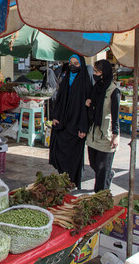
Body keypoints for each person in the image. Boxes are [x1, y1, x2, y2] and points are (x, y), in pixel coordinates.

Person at [49, 54, 92, 189]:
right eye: (70, 62)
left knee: (73, 156)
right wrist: (55, 116)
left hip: (77, 124)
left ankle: (72, 180)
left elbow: (87, 107)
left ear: (81, 65)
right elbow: (60, 100)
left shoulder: (85, 80)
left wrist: (83, 127)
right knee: (59, 150)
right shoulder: (66, 79)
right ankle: (63, 177)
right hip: (63, 123)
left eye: (76, 63)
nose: (72, 66)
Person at [85, 60, 120, 192]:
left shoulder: (114, 91)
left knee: (102, 168)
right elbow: (93, 104)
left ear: (105, 73)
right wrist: (89, 103)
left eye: (98, 72)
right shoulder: (96, 87)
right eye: (94, 71)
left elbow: (115, 115)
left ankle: (101, 194)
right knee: (94, 164)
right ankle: (108, 175)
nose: (95, 74)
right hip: (93, 133)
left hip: (107, 133)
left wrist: (115, 135)